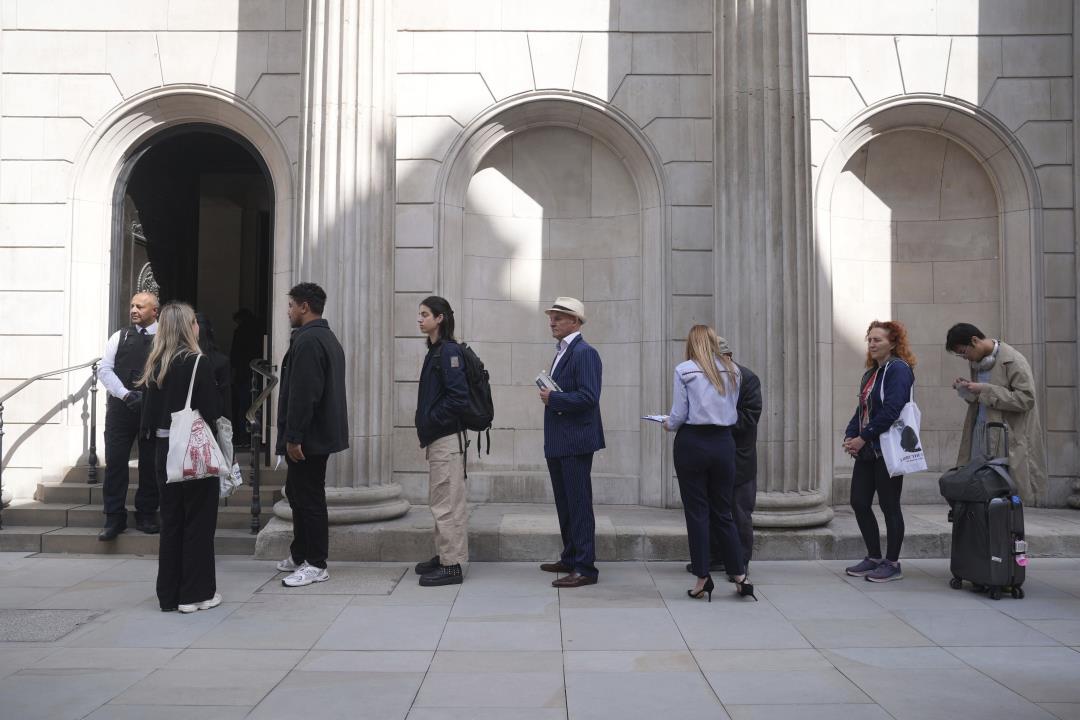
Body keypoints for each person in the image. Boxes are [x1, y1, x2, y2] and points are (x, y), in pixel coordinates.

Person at [139, 302, 222, 613]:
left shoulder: (155, 363)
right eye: (193, 322)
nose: (197, 326)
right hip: (191, 449)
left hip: (163, 450)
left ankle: (169, 595)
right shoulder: (197, 362)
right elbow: (212, 411)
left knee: (172, 521)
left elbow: (147, 417)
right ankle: (196, 594)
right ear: (188, 327)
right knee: (199, 522)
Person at [665, 325, 755, 602]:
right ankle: (740, 575)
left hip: (693, 442)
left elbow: (679, 414)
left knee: (697, 512)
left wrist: (668, 424)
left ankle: (703, 577)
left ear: (691, 342)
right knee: (723, 511)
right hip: (724, 443)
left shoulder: (685, 370)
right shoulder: (733, 371)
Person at [275, 283, 349, 587]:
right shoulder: (324, 337)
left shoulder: (309, 341)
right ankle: (301, 553)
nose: (288, 311)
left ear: (305, 306)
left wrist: (294, 437)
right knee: (297, 494)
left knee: (309, 499)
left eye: (291, 305)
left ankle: (316, 563)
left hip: (308, 439)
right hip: (314, 436)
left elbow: (305, 395)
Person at [842, 320, 916, 583]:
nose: (872, 344)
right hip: (868, 450)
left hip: (887, 450)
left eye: (878, 340)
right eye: (870, 339)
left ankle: (892, 563)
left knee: (889, 505)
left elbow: (892, 410)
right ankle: (874, 557)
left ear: (893, 343)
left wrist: (863, 437)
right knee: (859, 502)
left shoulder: (899, 370)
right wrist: (851, 435)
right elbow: (861, 409)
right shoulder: (872, 373)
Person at [537, 297, 604, 588]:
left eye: (559, 317)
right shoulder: (563, 351)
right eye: (551, 317)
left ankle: (585, 567)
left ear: (575, 322)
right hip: (560, 440)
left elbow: (589, 397)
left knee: (578, 504)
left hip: (575, 441)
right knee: (565, 504)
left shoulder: (585, 353)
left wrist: (554, 398)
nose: (552, 322)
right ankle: (571, 556)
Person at [946, 323, 1046, 506]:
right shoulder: (976, 363)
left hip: (1007, 438)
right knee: (980, 493)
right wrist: (967, 389)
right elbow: (982, 399)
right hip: (981, 435)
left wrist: (984, 389)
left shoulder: (1014, 360)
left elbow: (1026, 399)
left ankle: (1007, 533)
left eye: (963, 352)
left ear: (974, 341)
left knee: (1005, 495)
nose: (964, 357)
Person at [412, 296, 470, 587]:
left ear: (440, 318)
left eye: (425, 314)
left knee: (447, 503)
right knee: (440, 501)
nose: (420, 319)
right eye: (420, 314)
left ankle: (453, 565)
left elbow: (458, 398)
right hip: (440, 440)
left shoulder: (448, 352)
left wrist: (432, 419)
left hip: (446, 440)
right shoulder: (435, 351)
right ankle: (445, 554)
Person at [98, 291, 160, 541]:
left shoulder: (165, 337)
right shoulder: (120, 335)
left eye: (140, 307)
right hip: (121, 410)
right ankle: (114, 517)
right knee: (115, 462)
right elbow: (104, 369)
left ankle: (146, 513)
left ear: (154, 311)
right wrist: (125, 395)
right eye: (132, 305)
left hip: (152, 409)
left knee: (150, 463)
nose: (134, 310)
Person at [195, 313, 231, 419]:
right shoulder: (221, 360)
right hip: (213, 416)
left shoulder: (183, 359)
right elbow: (225, 397)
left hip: (187, 417)